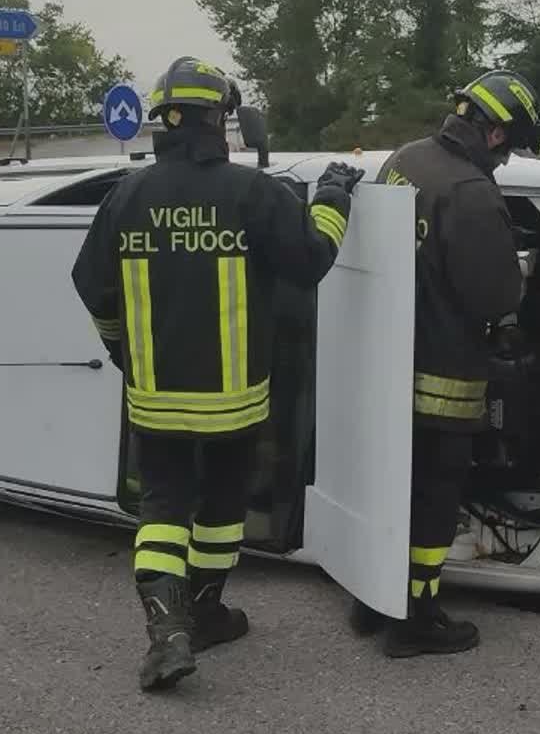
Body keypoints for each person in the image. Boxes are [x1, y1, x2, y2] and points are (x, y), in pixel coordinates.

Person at [71, 56, 364, 692]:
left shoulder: (127, 195)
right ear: (218, 119)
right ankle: (206, 610)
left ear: (162, 123)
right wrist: (335, 199)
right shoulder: (253, 193)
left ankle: (166, 634)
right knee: (223, 506)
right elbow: (310, 262)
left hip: (155, 398)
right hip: (236, 401)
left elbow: (90, 287)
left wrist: (124, 352)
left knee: (163, 508)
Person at [352, 69, 540, 657]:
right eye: (510, 143)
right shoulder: (470, 190)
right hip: (443, 376)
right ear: (492, 133)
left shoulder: (403, 160)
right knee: (435, 497)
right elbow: (496, 297)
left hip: (383, 364)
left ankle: (373, 597)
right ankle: (416, 618)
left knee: (389, 488)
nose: (508, 156)